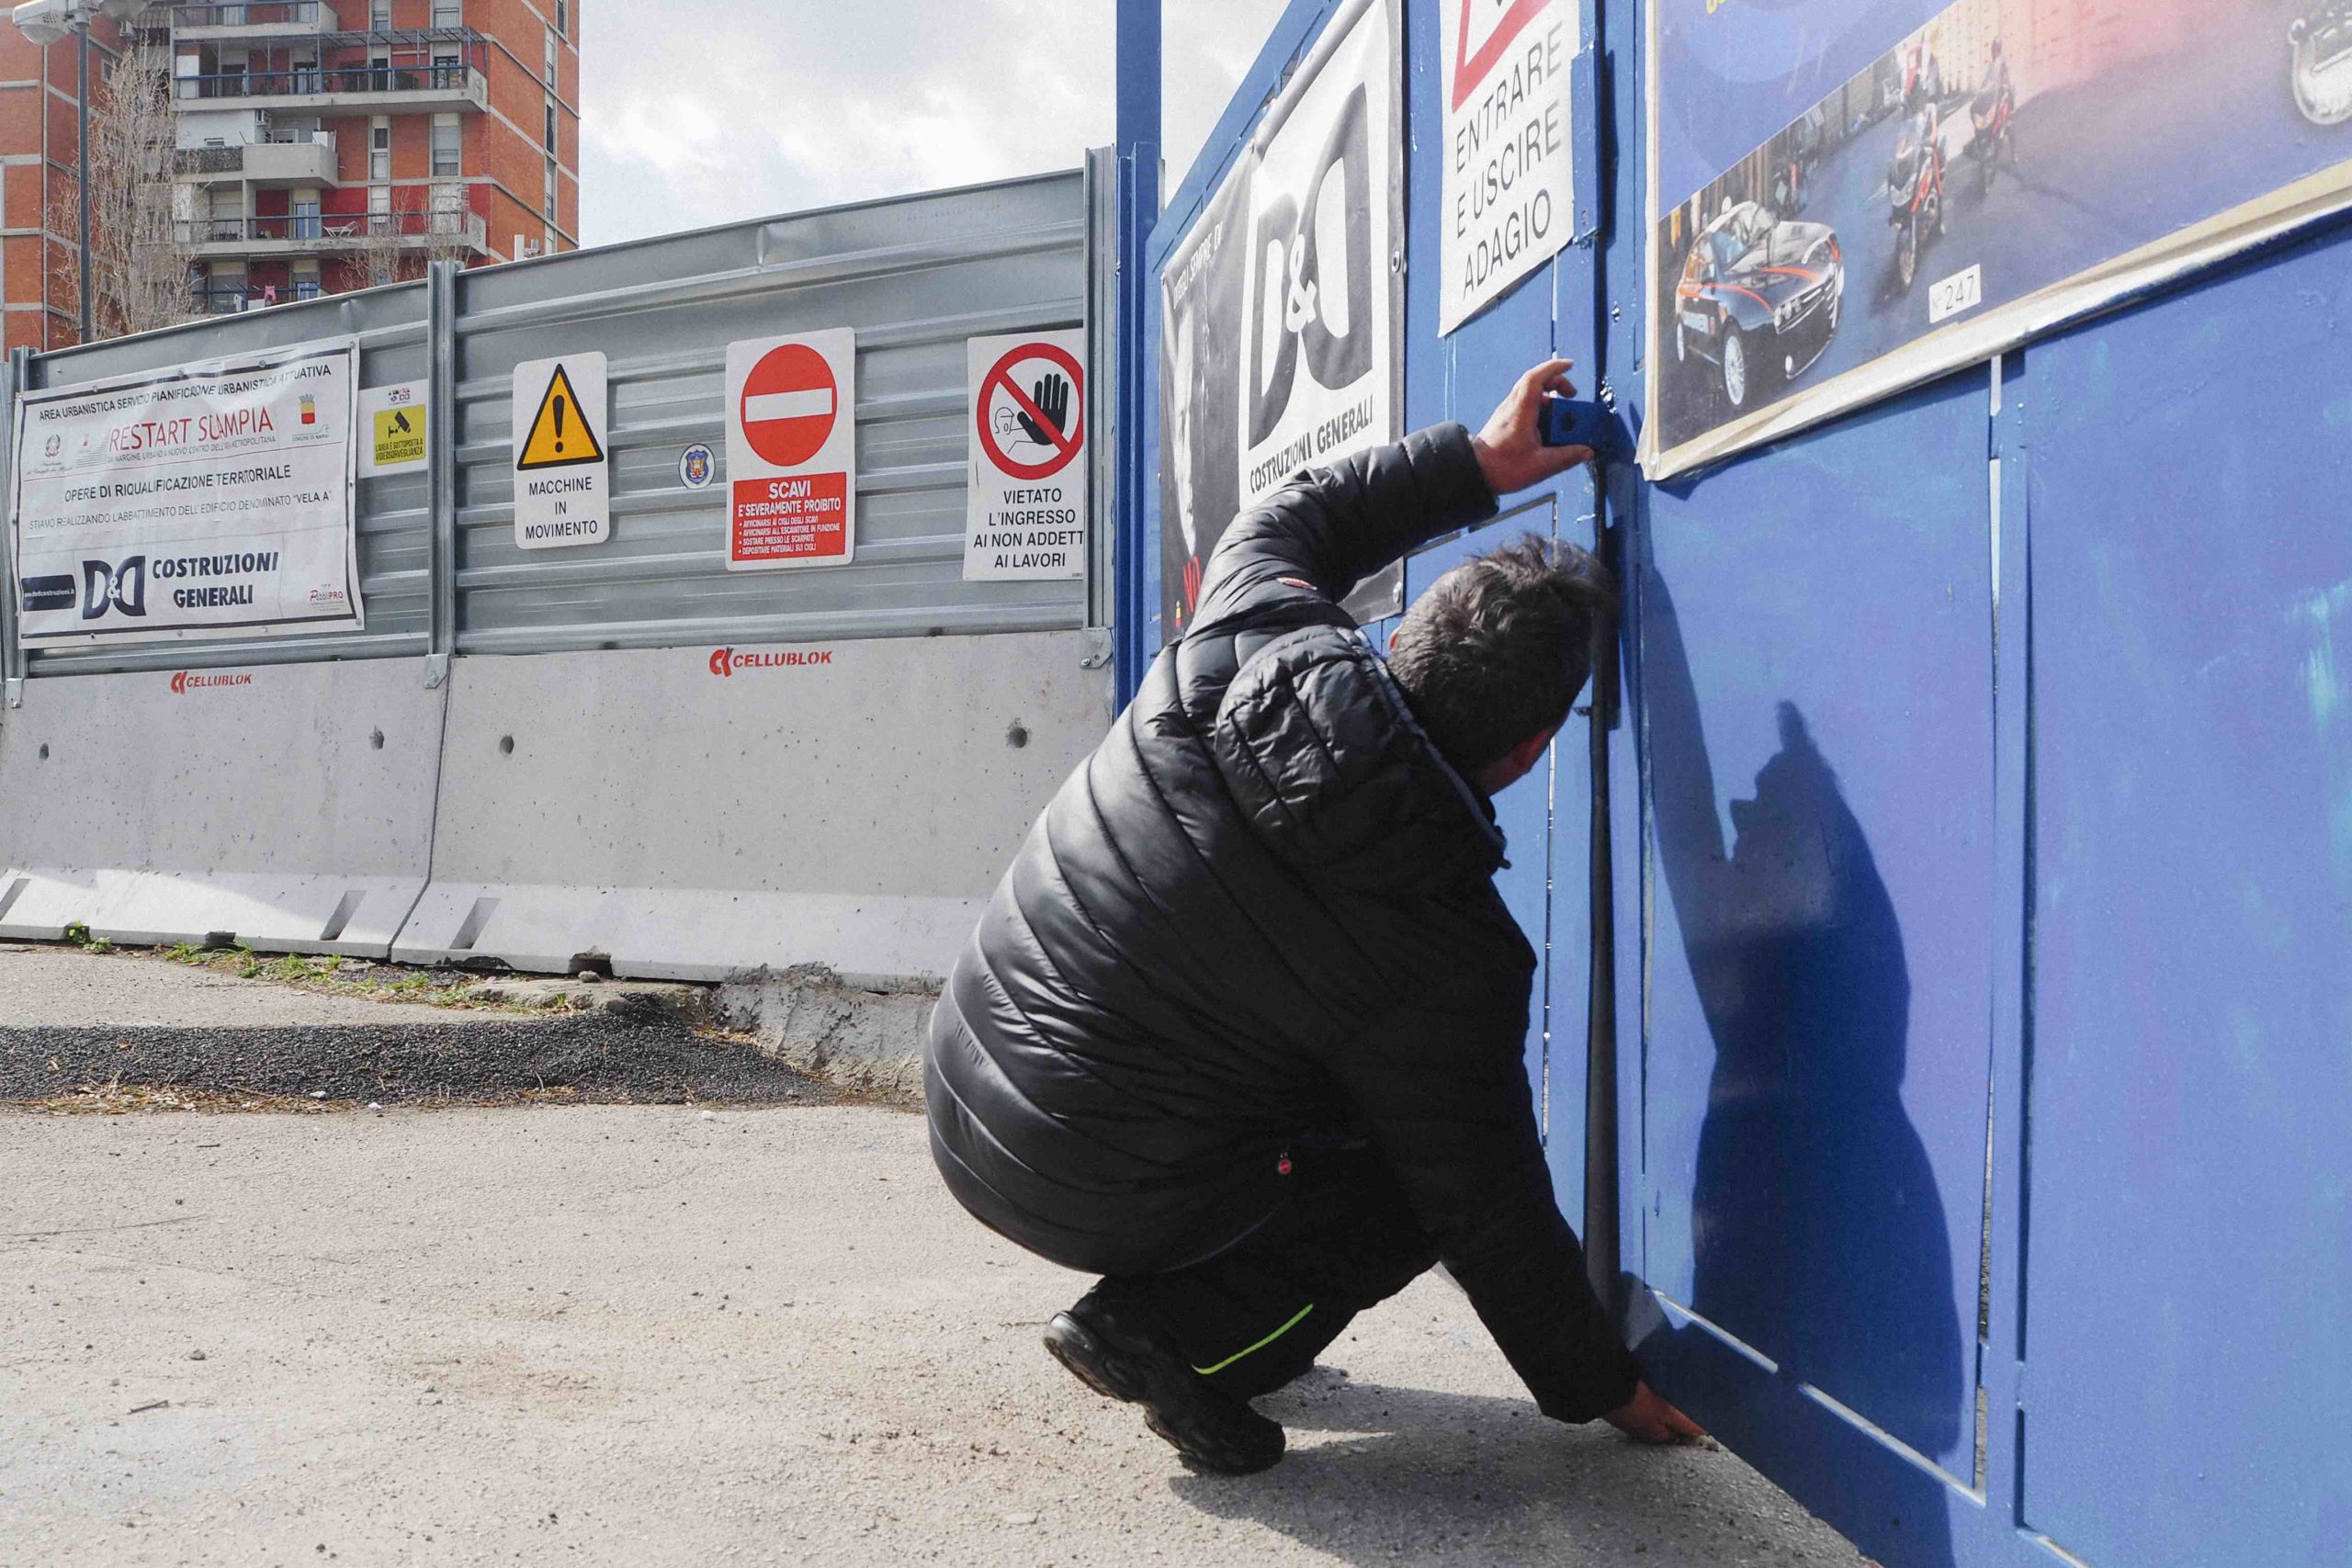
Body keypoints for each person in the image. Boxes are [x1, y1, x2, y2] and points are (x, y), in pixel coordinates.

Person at [925, 360, 1706, 1473]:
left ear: (1401, 642)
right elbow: (1487, 1211)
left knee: (1350, 1076)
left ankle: (1217, 1300)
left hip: (961, 1086)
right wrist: (1605, 1388)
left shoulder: (1247, 620)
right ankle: (1173, 1338)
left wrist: (1477, 461)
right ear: (1530, 752)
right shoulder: (1448, 950)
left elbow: (1299, 511)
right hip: (1080, 1179)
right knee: (1407, 1179)